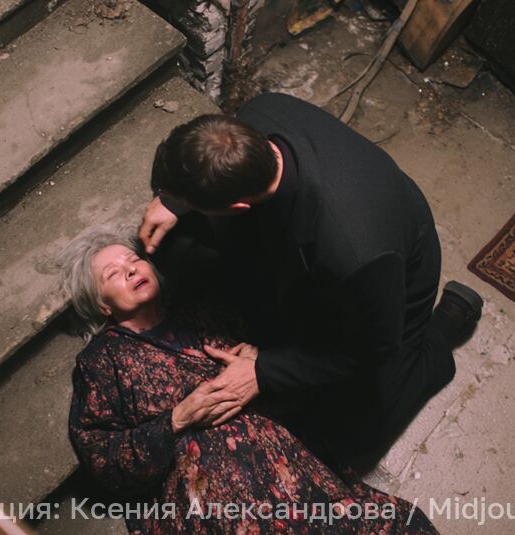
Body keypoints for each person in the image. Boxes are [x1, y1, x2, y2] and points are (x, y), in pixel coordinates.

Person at [138, 92, 483, 469]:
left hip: (391, 278)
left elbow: (372, 347)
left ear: (238, 206)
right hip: (331, 246)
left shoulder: (356, 256)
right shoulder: (257, 113)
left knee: (351, 441)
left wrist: (262, 372)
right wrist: (176, 200)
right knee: (182, 246)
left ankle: (442, 332)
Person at [62, 224, 440, 535]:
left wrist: (261, 364)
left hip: (290, 473)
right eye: (114, 273)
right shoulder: (103, 360)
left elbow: (292, 373)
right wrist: (177, 419)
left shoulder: (203, 310)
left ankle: (439, 338)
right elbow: (103, 460)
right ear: (102, 305)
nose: (131, 269)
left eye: (134, 260)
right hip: (219, 509)